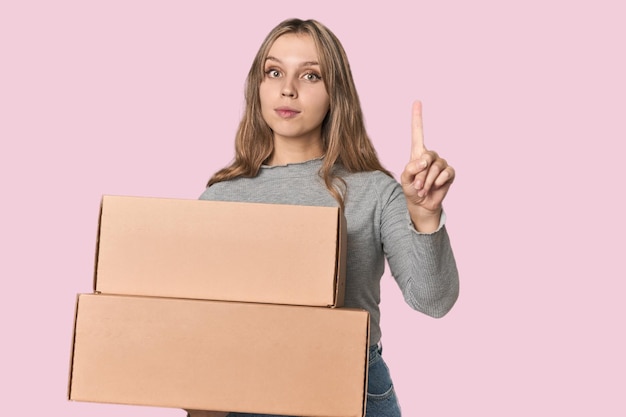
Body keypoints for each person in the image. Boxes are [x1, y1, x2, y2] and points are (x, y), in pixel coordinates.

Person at [187, 18, 459, 417]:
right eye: (274, 71)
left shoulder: (374, 190)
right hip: (245, 388)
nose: (288, 88)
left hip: (352, 388)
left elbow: (433, 301)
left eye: (310, 75)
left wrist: (424, 214)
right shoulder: (220, 197)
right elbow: (196, 325)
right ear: (257, 86)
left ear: (336, 93)